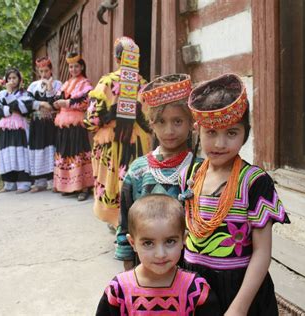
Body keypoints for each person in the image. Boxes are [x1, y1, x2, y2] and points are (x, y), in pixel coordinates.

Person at [178, 74, 290, 315]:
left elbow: (262, 252)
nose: (220, 143)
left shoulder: (255, 182)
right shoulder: (189, 175)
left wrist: (239, 307)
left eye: (231, 133)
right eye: (211, 133)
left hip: (240, 290)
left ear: (245, 134)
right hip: (193, 288)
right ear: (198, 131)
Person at [114, 74, 194, 270]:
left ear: (192, 122)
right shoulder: (138, 171)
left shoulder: (199, 169)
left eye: (178, 121)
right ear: (151, 123)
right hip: (146, 267)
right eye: (161, 121)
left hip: (188, 269)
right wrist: (128, 271)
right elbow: (126, 220)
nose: (169, 130)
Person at [96, 194, 220, 315]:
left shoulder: (196, 290)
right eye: (148, 243)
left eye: (170, 241)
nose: (160, 254)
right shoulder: (118, 290)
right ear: (132, 243)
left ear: (184, 240)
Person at [85, 36, 151, 224]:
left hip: (111, 142)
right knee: (134, 179)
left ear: (117, 59)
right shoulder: (143, 85)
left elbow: (92, 119)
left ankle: (116, 221)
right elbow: (149, 119)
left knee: (111, 181)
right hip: (137, 142)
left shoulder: (107, 82)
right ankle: (134, 220)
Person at [53, 52, 94, 201]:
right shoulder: (66, 83)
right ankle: (69, 186)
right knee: (66, 153)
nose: (73, 69)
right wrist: (57, 102)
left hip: (77, 123)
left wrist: (68, 103)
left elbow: (86, 101)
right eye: (71, 67)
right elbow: (57, 96)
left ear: (82, 67)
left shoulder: (85, 83)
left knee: (78, 152)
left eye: (76, 66)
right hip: (63, 123)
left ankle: (84, 187)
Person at [26, 56, 62, 192]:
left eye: (46, 71)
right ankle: (39, 182)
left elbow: (54, 103)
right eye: (41, 71)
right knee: (38, 149)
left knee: (51, 148)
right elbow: (27, 103)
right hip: (37, 122)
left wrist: (49, 89)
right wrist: (41, 104)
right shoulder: (33, 86)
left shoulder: (58, 84)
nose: (43, 74)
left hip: (50, 123)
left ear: (51, 70)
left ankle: (53, 181)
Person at [0, 67, 32, 193]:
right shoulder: (0, 94)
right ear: (5, 79)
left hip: (19, 127)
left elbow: (23, 109)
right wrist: (9, 110)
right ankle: (9, 183)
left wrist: (10, 97)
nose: (12, 80)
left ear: (19, 79)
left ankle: (24, 183)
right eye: (9, 78)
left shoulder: (24, 94)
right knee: (7, 153)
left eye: (14, 78)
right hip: (6, 127)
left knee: (20, 153)